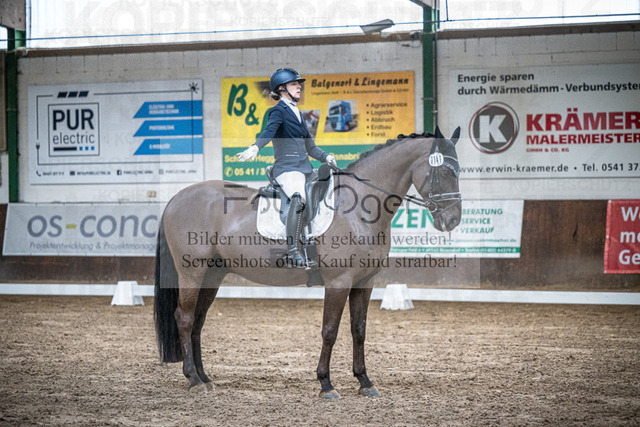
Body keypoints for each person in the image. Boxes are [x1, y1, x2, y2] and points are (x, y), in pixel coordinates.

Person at [237, 68, 337, 268]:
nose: (299, 87)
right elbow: (269, 131)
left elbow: (311, 148)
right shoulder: (278, 111)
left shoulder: (298, 114)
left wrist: (326, 157)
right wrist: (255, 147)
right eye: (294, 84)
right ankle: (293, 251)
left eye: (298, 84)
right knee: (298, 199)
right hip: (287, 169)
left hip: (305, 168)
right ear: (282, 89)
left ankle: (311, 242)